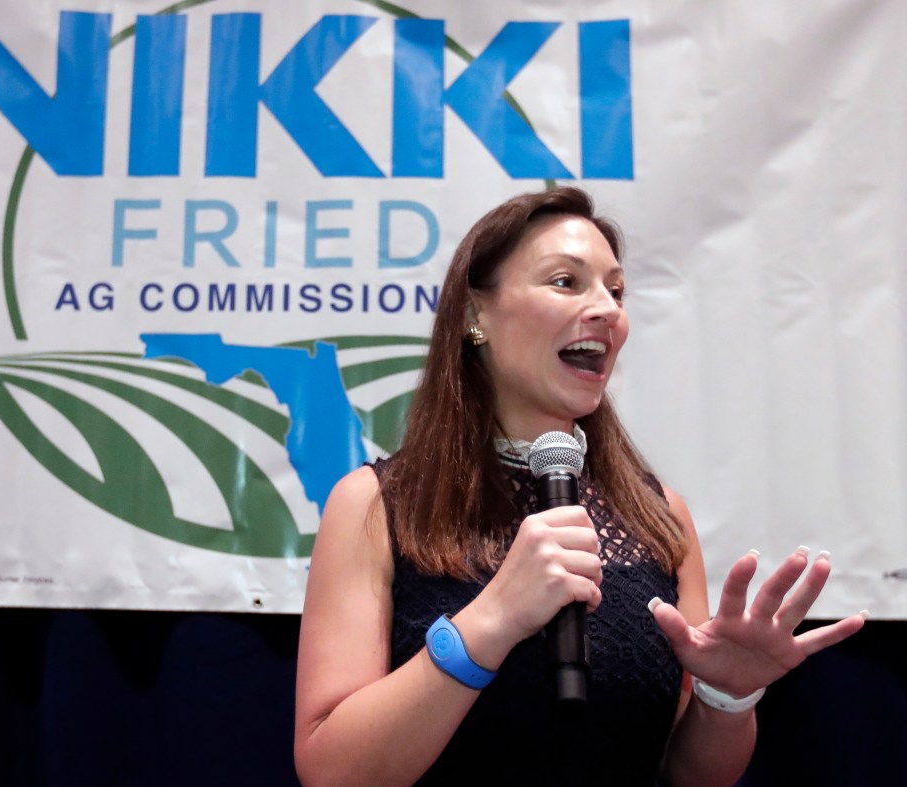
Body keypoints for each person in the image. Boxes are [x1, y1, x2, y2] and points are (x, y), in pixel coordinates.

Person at [293, 186, 866, 786]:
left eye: (615, 291)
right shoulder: (376, 505)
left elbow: (693, 776)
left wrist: (729, 698)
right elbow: (333, 773)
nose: (607, 310)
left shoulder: (659, 516)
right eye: (567, 282)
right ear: (473, 315)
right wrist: (492, 619)